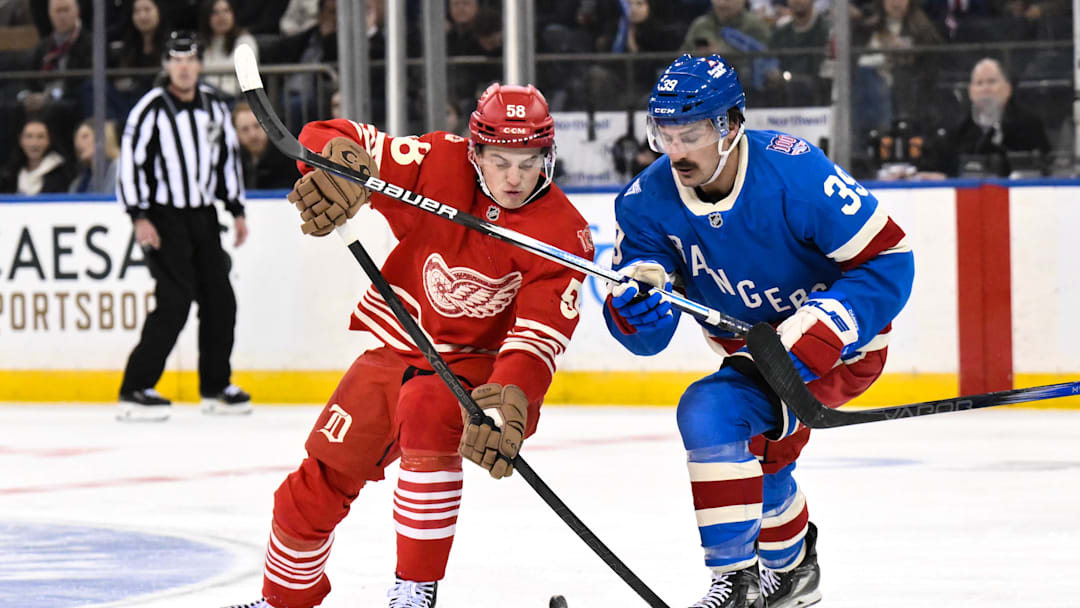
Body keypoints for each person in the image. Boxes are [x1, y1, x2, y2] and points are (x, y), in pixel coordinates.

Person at [225, 83, 591, 608]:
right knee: (315, 480)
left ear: (547, 156)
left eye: (528, 162)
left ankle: (414, 592)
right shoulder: (439, 162)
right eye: (500, 161)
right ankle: (283, 600)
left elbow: (537, 339)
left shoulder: (563, 233)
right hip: (399, 345)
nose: (514, 178)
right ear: (476, 152)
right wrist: (333, 163)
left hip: (473, 369)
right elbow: (335, 137)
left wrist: (511, 397)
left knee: (425, 412)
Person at [603, 55, 914, 608]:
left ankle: (740, 584)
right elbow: (647, 335)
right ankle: (792, 573)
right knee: (754, 455)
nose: (675, 151)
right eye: (664, 134)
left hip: (840, 349)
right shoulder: (645, 202)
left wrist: (829, 323)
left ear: (731, 124)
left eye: (691, 133)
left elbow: (890, 257)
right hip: (754, 356)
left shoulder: (795, 173)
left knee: (712, 411)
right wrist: (634, 309)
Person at [115, 31, 250, 422]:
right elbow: (130, 165)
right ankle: (135, 387)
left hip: (204, 216)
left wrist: (236, 210)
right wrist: (139, 217)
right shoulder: (150, 109)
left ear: (200, 64)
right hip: (163, 216)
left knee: (220, 300)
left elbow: (227, 161)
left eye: (190, 59)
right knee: (175, 301)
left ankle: (215, 387)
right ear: (166, 65)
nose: (184, 67)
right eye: (177, 60)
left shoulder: (215, 107)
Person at [936, 57, 1051, 177]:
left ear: (1007, 89)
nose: (985, 88)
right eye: (979, 83)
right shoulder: (958, 132)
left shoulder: (1029, 127)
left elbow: (1045, 169)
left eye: (991, 82)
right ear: (971, 92)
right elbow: (943, 172)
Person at [232, 101, 298, 189]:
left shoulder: (290, 158)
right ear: (237, 134)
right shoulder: (233, 161)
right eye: (245, 129)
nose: (253, 135)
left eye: (257, 126)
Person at [198, 0, 257, 97]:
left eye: (226, 11)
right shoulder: (202, 43)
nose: (222, 17)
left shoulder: (245, 41)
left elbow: (236, 70)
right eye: (215, 12)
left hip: (235, 98)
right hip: (207, 95)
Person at [0, 118, 73, 194]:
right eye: (29, 136)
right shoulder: (9, 173)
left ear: (49, 141)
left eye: (40, 137)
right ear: (20, 140)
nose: (34, 143)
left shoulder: (61, 173)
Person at [68, 119, 119, 194]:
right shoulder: (78, 183)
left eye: (85, 136)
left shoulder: (118, 168)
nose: (78, 143)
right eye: (76, 138)